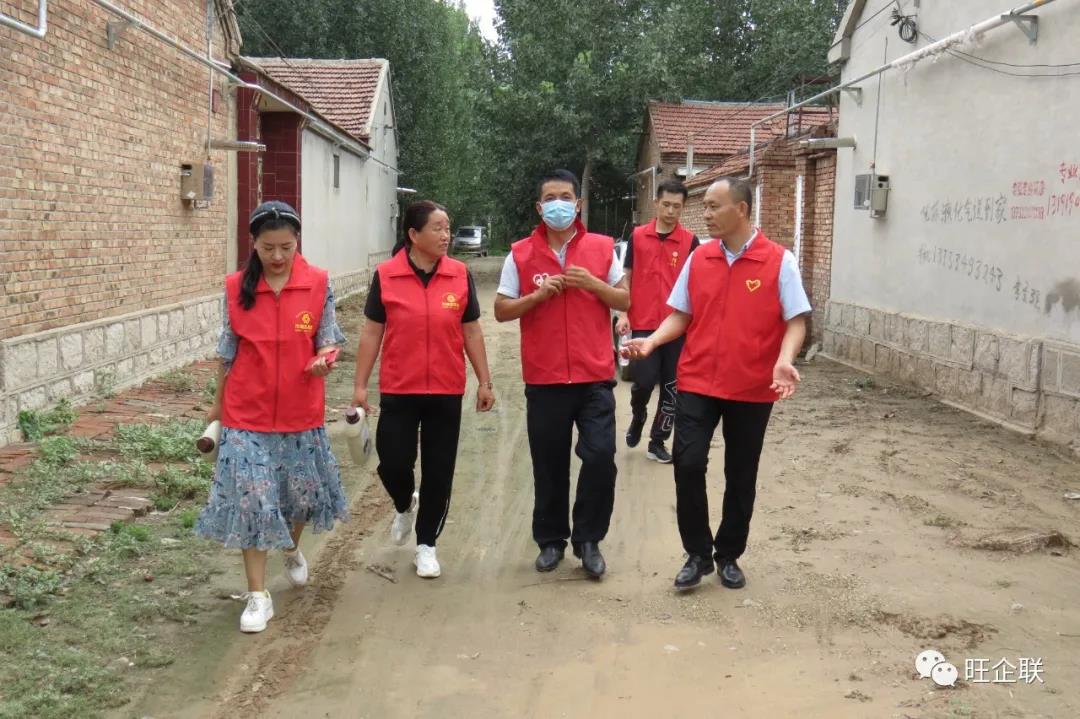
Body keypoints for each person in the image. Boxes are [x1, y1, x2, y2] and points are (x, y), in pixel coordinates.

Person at [623, 177, 811, 591]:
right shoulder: (700, 257)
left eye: (712, 206)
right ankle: (697, 554)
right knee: (688, 463)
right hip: (697, 381)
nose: (704, 214)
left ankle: (728, 554)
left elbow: (796, 320)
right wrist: (652, 341)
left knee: (741, 473)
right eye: (704, 206)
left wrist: (784, 360)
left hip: (751, 388)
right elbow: (681, 314)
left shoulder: (779, 261)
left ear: (740, 210)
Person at [197, 200, 349, 633]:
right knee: (253, 501)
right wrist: (217, 407)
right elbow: (227, 353)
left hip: (302, 413)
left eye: (286, 247)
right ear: (254, 245)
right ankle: (258, 596)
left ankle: (290, 547)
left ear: (297, 241)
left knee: (299, 500)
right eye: (268, 248)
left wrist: (325, 359)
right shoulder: (235, 288)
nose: (278, 256)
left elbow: (328, 339)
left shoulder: (318, 283)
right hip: (247, 414)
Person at [494, 169, 629, 578]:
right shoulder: (520, 253)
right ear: (539, 207)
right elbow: (501, 309)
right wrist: (537, 295)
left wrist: (593, 284)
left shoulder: (603, 248)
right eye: (551, 198)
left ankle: (589, 540)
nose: (559, 204)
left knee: (601, 457)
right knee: (549, 464)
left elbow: (624, 299)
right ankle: (551, 540)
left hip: (594, 376)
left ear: (578, 204)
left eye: (566, 197)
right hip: (545, 378)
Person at [352, 200, 495, 579]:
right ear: (413, 235)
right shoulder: (387, 275)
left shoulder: (459, 274)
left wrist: (484, 381)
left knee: (439, 470)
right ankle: (404, 504)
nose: (446, 235)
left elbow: (471, 331)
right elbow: (372, 332)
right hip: (400, 387)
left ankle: (427, 544)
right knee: (393, 460)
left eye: (448, 228)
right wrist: (360, 386)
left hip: (446, 389)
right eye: (437, 228)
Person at [614, 179, 699, 464]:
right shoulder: (638, 237)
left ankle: (657, 441)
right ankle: (638, 415)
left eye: (677, 206)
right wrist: (623, 313)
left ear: (683, 207)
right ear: (656, 203)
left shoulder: (690, 241)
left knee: (672, 386)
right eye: (666, 205)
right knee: (644, 381)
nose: (671, 211)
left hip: (676, 325)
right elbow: (626, 276)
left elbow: (697, 282)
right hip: (643, 323)